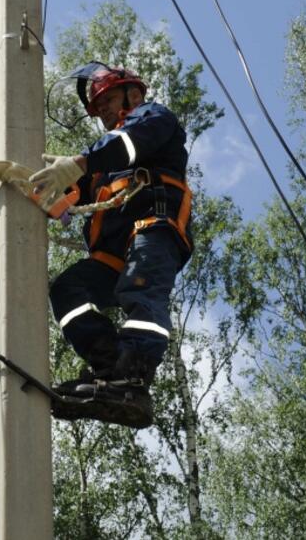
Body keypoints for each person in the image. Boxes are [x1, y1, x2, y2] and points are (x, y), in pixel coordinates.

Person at [30, 62, 192, 429]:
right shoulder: (102, 165)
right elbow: (68, 196)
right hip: (112, 254)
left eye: (106, 99)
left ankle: (133, 378)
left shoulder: (153, 118)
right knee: (69, 290)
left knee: (141, 292)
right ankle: (109, 369)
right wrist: (16, 186)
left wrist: (79, 163)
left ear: (132, 94)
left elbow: (127, 145)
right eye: (97, 105)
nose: (101, 109)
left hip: (152, 229)